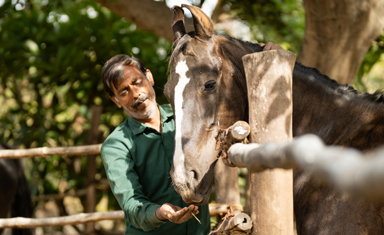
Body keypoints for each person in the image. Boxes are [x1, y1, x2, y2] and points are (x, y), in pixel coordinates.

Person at [100, 54, 211, 235]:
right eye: (123, 92)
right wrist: (159, 213)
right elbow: (131, 204)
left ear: (149, 77)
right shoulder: (116, 145)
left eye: (137, 82)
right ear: (116, 101)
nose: (136, 94)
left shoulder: (187, 117)